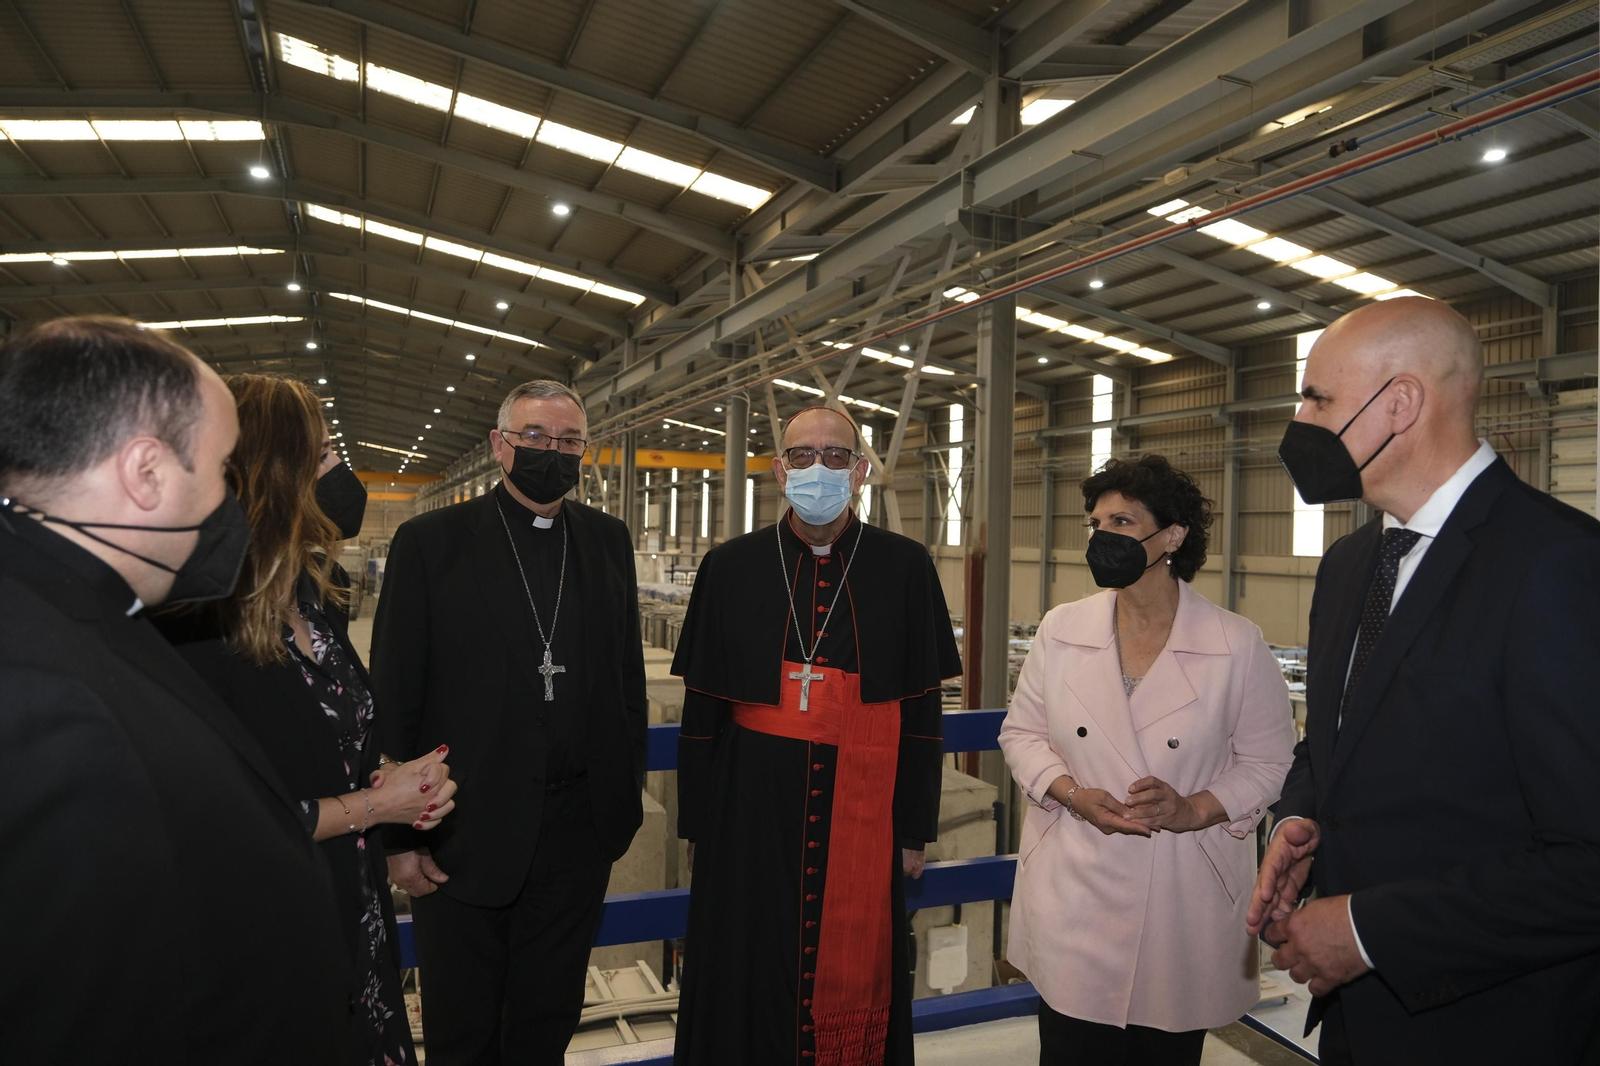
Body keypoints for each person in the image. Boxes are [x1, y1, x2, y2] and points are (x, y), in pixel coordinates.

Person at [1245, 297, 1600, 1065]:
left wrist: (1369, 931)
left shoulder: (1558, 566)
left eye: (1317, 399)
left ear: (1400, 403)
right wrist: (1301, 822)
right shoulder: (1348, 567)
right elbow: (1337, 747)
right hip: (1359, 1027)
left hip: (1493, 1029)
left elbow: (1587, 858)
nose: (1300, 420)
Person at [0, 317, 350, 1063]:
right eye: (224, 470)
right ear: (147, 472)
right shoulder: (34, 690)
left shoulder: (85, 611)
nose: (233, 500)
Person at [155, 374, 459, 1066]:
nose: (339, 478)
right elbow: (219, 815)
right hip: (267, 935)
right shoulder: (194, 618)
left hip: (351, 918)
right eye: (323, 459)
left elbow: (326, 739)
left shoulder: (316, 596)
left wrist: (393, 775)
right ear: (275, 468)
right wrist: (377, 804)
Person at [672, 404, 962, 1066]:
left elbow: (921, 716)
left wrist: (913, 829)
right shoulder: (731, 566)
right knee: (746, 960)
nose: (819, 468)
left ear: (859, 473)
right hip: (749, 808)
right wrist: (699, 825)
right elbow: (703, 711)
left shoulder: (906, 566)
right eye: (803, 455)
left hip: (863, 804)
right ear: (779, 470)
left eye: (836, 456)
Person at [371, 379, 647, 1066]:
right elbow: (397, 692)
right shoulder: (430, 543)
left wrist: (623, 803)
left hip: (579, 832)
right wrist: (398, 838)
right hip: (463, 833)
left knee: (546, 1023)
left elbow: (627, 683)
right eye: (535, 437)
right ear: (501, 445)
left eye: (568, 441)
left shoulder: (608, 541)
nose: (552, 452)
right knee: (464, 1032)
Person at [999, 454, 1296, 1066]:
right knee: (1069, 1048)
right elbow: (1021, 733)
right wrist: (1069, 792)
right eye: (1096, 522)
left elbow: (1270, 761)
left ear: (1173, 536)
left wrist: (1195, 808)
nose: (1103, 536)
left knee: (1162, 1049)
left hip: (1177, 902)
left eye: (1123, 521)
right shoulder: (1061, 630)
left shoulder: (1235, 644)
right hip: (1074, 892)